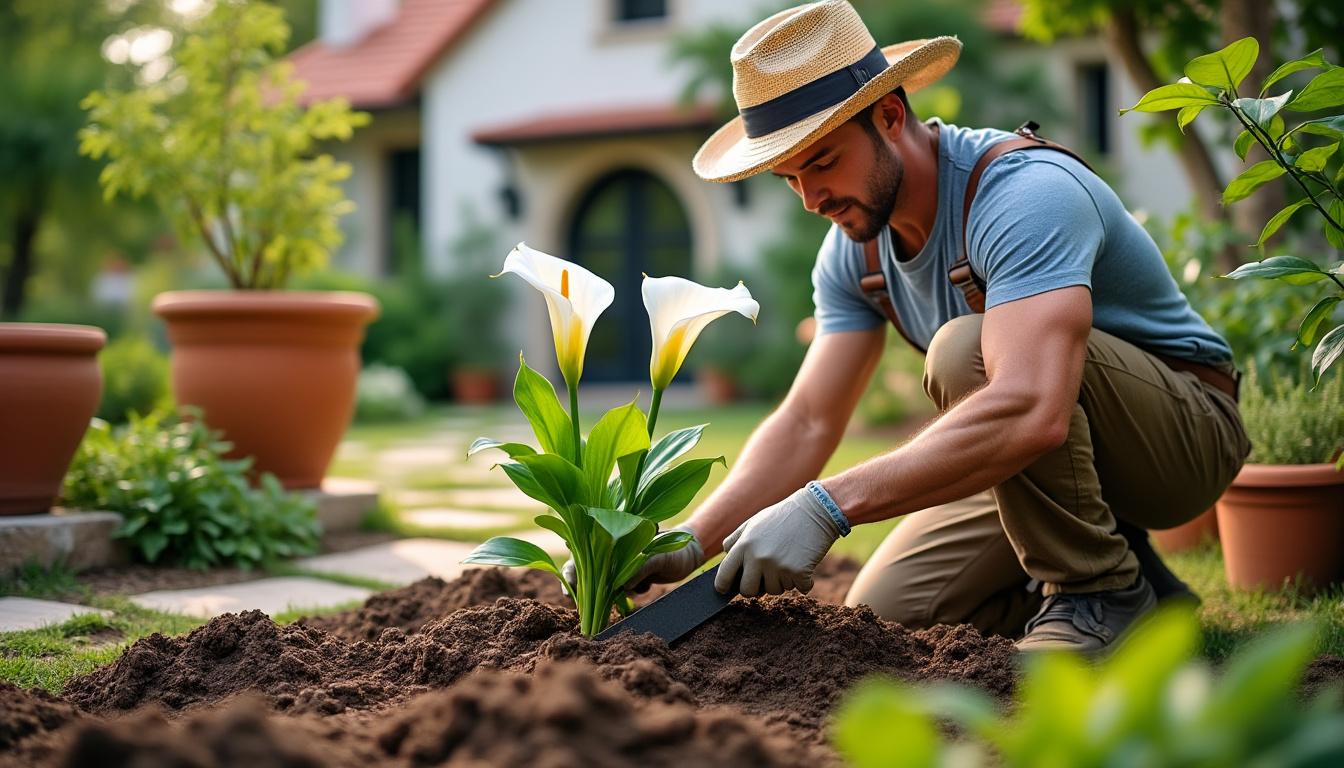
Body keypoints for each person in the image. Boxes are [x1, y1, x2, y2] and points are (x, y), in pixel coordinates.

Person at [623, 0, 1250, 653]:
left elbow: (1032, 409)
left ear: (890, 116)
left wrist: (827, 505)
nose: (811, 199)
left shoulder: (1022, 195)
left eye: (822, 162)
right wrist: (692, 540)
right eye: (789, 178)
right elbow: (810, 417)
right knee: (889, 609)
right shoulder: (855, 250)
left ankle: (1098, 594)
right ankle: (1145, 591)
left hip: (1182, 439)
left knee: (964, 351)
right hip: (1055, 459)